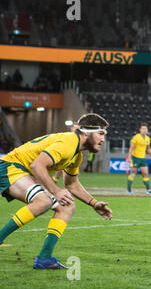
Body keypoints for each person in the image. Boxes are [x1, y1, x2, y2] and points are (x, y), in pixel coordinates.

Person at [0, 113, 113, 269]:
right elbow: (37, 165)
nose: (103, 139)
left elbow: (72, 184)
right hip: (10, 166)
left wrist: (94, 203)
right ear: (86, 132)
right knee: (44, 201)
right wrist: (55, 191)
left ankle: (44, 258)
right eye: (101, 133)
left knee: (67, 206)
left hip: (24, 172)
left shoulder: (76, 154)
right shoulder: (68, 142)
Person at [126, 123, 151, 195]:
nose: (144, 130)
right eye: (143, 128)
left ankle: (148, 190)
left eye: (145, 129)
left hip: (142, 159)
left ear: (147, 130)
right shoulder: (136, 137)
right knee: (133, 174)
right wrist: (129, 157)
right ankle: (129, 190)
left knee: (145, 174)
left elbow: (148, 149)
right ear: (140, 130)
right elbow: (131, 148)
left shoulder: (148, 139)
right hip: (135, 158)